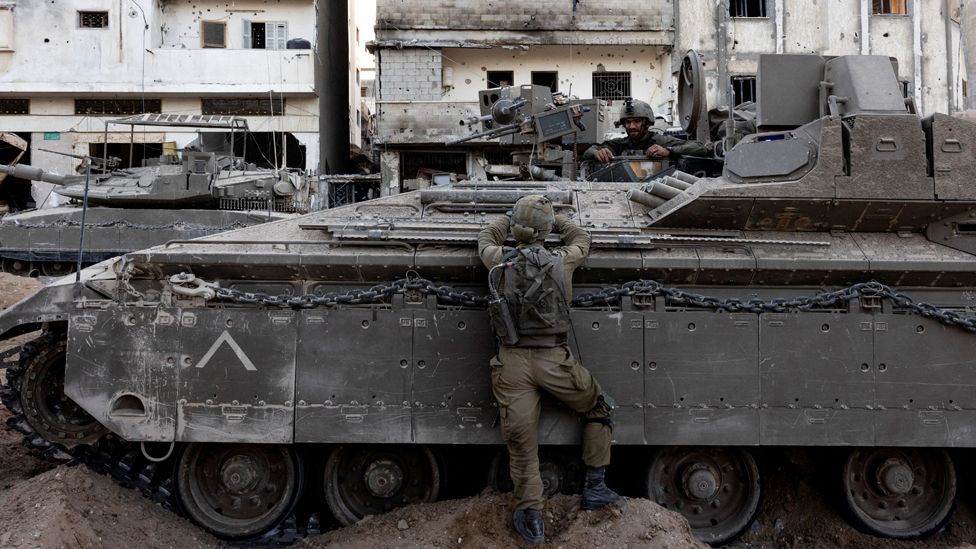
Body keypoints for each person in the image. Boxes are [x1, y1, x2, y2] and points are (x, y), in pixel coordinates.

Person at [478, 195, 622, 545]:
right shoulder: (562, 261)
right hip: (554, 361)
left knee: (522, 443)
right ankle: (595, 487)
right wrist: (557, 221)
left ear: (516, 230)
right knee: (599, 406)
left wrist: (507, 217)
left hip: (512, 363)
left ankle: (530, 515)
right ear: (544, 232)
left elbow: (485, 239)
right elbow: (582, 239)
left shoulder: (499, 261)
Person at [582, 98, 711, 163]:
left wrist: (669, 151)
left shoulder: (660, 141)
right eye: (628, 122)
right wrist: (596, 152)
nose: (632, 126)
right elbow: (588, 151)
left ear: (647, 123)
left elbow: (702, 148)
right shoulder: (619, 144)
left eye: (637, 121)